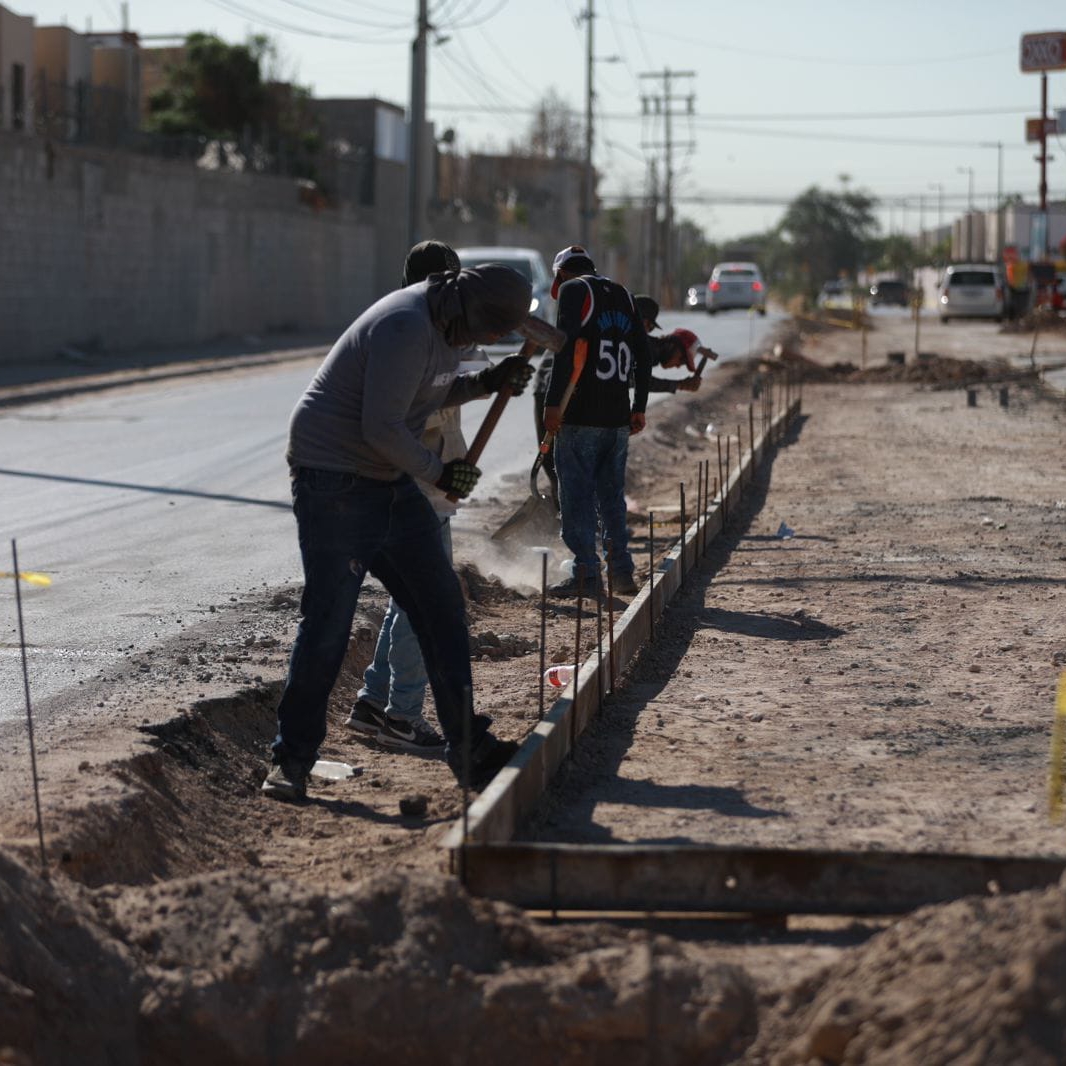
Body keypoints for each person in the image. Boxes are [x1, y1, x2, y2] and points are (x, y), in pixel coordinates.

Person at [262, 261, 536, 801]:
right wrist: (439, 472)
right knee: (328, 623)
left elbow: (426, 394)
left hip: (386, 481)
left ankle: (468, 748)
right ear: (470, 311)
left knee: (440, 607)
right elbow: (381, 425)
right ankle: (290, 762)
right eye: (491, 332)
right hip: (333, 480)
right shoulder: (406, 325)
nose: (492, 340)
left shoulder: (447, 325)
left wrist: (485, 382)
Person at [347, 240, 488, 755]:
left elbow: (466, 373)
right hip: (417, 483)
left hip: (420, 481)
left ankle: (373, 701)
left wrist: (491, 375)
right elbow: (409, 412)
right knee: (427, 603)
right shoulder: (410, 334)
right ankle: (403, 716)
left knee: (407, 601)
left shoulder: (421, 324)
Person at [542, 245, 651, 598]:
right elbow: (644, 355)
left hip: (581, 416)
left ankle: (586, 574)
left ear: (560, 275)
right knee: (611, 498)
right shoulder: (624, 295)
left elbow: (565, 348)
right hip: (618, 419)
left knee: (576, 497)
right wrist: (640, 406)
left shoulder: (575, 291)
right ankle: (621, 572)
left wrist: (552, 403)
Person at [632, 294, 714, 393]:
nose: (678, 365)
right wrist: (680, 385)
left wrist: (679, 385)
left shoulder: (648, 348)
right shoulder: (642, 346)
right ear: (672, 345)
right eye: (682, 360)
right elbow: (637, 379)